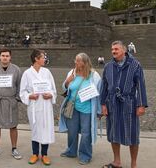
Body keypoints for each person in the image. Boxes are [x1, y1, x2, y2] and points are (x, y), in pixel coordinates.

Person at [100, 40, 148, 168]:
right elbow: (103, 86)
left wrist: (141, 105)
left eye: (116, 49)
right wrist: (103, 104)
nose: (113, 51)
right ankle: (117, 162)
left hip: (129, 104)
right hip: (112, 104)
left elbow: (141, 85)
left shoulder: (135, 65)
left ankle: (133, 164)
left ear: (124, 50)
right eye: (112, 49)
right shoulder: (108, 66)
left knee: (132, 134)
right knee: (114, 133)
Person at [59, 53, 102, 165]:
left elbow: (99, 93)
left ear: (85, 62)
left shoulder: (94, 75)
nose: (76, 63)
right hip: (72, 107)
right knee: (72, 131)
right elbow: (65, 88)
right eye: (76, 60)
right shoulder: (72, 72)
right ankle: (71, 151)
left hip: (87, 109)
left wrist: (99, 110)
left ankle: (85, 155)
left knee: (86, 133)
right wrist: (68, 81)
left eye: (78, 61)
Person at [19, 49, 56, 165]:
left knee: (46, 129)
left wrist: (50, 95)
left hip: (46, 105)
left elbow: (53, 90)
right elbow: (22, 91)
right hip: (34, 106)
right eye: (43, 57)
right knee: (35, 130)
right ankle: (35, 154)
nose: (45, 59)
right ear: (36, 58)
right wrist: (30, 96)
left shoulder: (47, 72)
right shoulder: (27, 73)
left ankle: (44, 154)